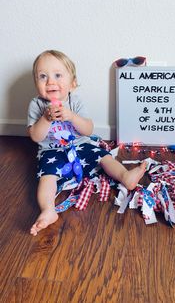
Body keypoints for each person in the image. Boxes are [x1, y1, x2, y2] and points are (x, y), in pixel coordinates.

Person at [28, 50, 146, 236]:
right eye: (43, 76)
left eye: (57, 75)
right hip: (51, 151)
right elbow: (35, 136)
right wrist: (45, 118)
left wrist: (72, 117)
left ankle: (125, 176)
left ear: (72, 83)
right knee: (46, 178)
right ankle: (48, 209)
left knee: (103, 157)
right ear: (36, 83)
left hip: (80, 145)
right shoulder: (37, 105)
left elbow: (88, 129)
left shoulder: (75, 102)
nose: (50, 81)